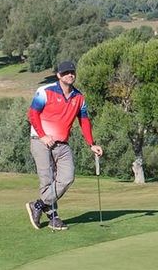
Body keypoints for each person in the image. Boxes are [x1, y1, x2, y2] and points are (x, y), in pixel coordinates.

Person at [27, 59, 102, 231]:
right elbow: (32, 114)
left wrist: (91, 143)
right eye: (66, 72)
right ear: (59, 75)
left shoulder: (79, 97)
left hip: (62, 144)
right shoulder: (45, 91)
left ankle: (38, 205)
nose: (70, 75)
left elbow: (84, 121)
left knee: (68, 177)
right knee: (47, 180)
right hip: (41, 142)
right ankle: (53, 218)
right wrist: (43, 135)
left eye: (72, 72)